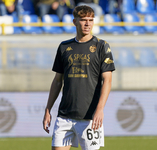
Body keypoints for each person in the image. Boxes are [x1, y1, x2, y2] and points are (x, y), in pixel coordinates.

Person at [43, 5, 115, 150]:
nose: (87, 23)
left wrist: (100, 110)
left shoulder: (102, 46)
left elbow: (107, 80)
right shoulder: (64, 47)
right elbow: (57, 81)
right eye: (83, 20)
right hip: (64, 116)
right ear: (75, 22)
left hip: (90, 118)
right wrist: (48, 109)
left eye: (90, 20)